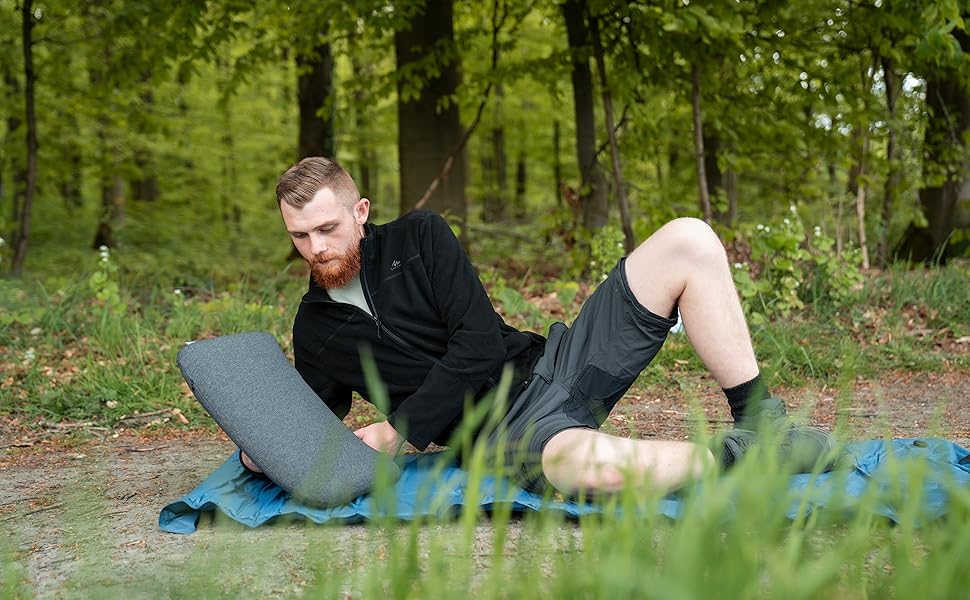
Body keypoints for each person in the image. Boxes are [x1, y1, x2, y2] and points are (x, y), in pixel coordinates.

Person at [241, 156, 834, 497]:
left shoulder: (421, 238)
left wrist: (401, 430)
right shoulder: (314, 326)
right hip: (509, 437)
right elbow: (315, 419)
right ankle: (749, 458)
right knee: (591, 470)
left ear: (360, 212)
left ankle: (760, 417)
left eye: (327, 229)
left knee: (689, 239)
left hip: (555, 365)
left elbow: (475, 342)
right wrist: (259, 449)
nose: (316, 248)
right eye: (300, 236)